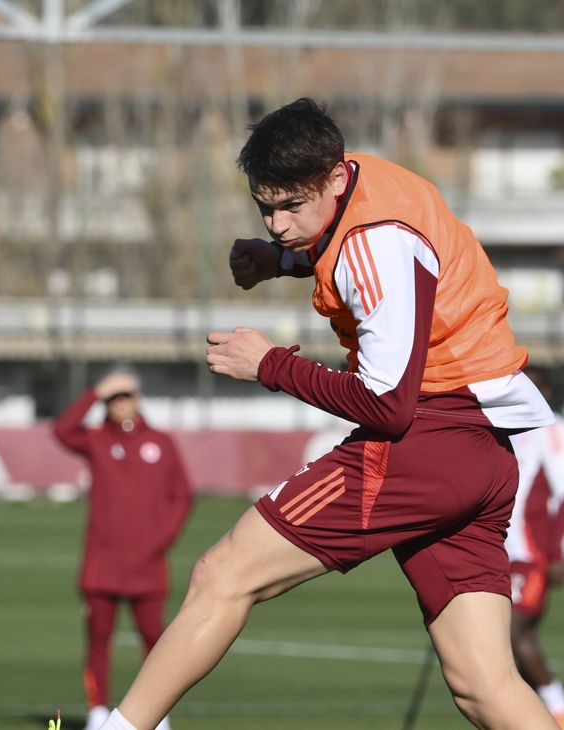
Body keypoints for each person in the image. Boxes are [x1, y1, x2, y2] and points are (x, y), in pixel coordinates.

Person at [97, 98, 559, 730]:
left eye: (291, 206)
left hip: (422, 444)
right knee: (484, 684)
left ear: (335, 178)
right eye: (267, 206)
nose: (279, 221)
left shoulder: (375, 243)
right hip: (484, 451)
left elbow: (387, 406)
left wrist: (269, 364)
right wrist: (280, 259)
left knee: (222, 575)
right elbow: (354, 250)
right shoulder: (364, 184)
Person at [53, 367, 192, 730]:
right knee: (99, 641)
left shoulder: (161, 442)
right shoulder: (96, 439)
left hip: (148, 564)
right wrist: (95, 392)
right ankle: (98, 711)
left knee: (156, 642)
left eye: (126, 396)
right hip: (102, 564)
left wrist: (163, 537)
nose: (121, 404)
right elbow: (61, 430)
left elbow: (182, 494)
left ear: (137, 399)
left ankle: (156, 713)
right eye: (114, 399)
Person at [506, 368, 564, 724]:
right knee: (501, 643)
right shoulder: (507, 427)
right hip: (503, 549)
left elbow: (562, 492)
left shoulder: (551, 429)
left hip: (531, 552)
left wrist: (558, 553)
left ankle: (556, 710)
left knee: (513, 633)